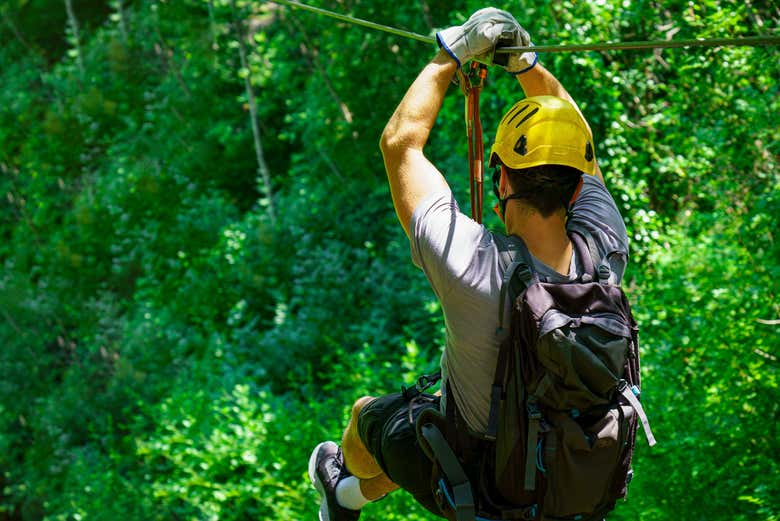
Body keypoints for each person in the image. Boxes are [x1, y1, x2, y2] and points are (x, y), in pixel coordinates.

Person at [308, 7, 630, 521]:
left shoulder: (472, 265)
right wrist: (526, 65)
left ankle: (337, 489)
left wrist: (449, 54)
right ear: (576, 187)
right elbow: (579, 142)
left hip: (474, 484)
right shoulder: (605, 250)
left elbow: (400, 145)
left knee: (370, 417)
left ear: (501, 182)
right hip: (569, 476)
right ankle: (347, 499)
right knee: (425, 429)